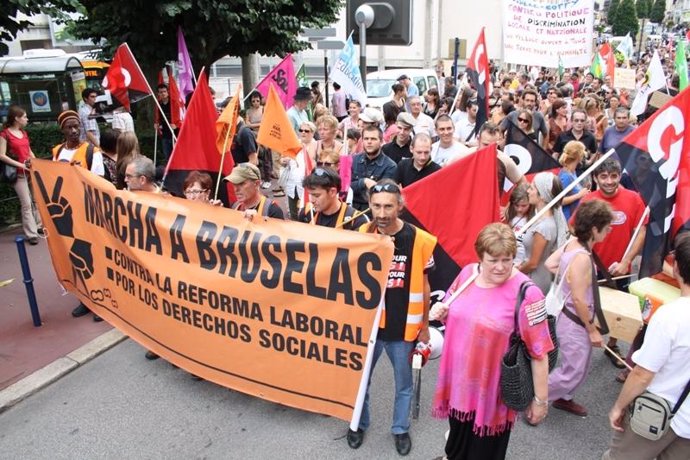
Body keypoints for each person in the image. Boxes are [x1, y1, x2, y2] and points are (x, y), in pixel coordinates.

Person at [431, 222, 554, 460]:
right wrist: (443, 312)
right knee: (456, 447)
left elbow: (540, 351)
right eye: (493, 260)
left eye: (507, 260)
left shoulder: (529, 294)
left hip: (493, 392)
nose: (500, 268)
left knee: (483, 454)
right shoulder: (467, 274)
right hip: (460, 383)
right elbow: (456, 313)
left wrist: (540, 401)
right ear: (480, 256)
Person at [347, 180, 437, 456]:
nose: (382, 213)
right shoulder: (362, 232)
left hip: (402, 329)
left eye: (388, 206)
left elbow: (424, 286)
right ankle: (358, 424)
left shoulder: (419, 238)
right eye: (376, 206)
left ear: (400, 205)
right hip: (368, 328)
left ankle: (400, 429)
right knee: (359, 381)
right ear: (369, 205)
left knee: (404, 385)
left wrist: (424, 326)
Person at [602, 233, 690, 460]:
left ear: (677, 267)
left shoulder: (672, 315)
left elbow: (642, 373)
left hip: (658, 410)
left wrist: (619, 406)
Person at [576, 158, 647, 370]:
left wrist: (627, 262)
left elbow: (640, 231)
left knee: (619, 311)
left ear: (619, 176)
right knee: (586, 306)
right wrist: (584, 259)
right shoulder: (587, 201)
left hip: (620, 270)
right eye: (604, 176)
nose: (609, 181)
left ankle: (613, 345)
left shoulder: (634, 199)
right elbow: (575, 232)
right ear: (596, 178)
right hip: (591, 267)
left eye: (613, 176)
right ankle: (583, 341)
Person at [547, 199, 614, 417]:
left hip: (570, 317)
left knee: (579, 365)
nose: (609, 231)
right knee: (573, 369)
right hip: (576, 321)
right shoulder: (582, 258)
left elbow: (550, 264)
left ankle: (562, 397)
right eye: (606, 228)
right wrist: (592, 330)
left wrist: (569, 277)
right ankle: (536, 396)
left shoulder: (572, 243)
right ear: (595, 229)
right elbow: (578, 298)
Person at [518, 172, 567, 295]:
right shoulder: (541, 220)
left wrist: (514, 271)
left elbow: (533, 263)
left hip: (533, 281)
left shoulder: (544, 227)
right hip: (532, 277)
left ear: (543, 196)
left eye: (532, 188)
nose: (528, 191)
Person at [0, 105, 43, 245]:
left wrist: (36, 164)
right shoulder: (5, 134)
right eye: (24, 116)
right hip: (18, 173)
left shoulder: (23, 133)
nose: (27, 119)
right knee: (26, 203)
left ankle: (38, 226)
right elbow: (1, 155)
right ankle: (31, 234)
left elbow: (29, 151)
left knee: (36, 200)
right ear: (17, 118)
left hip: (29, 170)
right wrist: (20, 165)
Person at [297, 168, 367, 229]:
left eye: (316, 195)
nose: (312, 200)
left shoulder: (355, 220)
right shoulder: (307, 212)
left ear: (332, 192)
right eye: (310, 194)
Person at [350, 126, 397, 212]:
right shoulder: (353, 160)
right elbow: (345, 188)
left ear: (381, 141)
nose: (369, 142)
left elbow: (383, 194)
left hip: (373, 211)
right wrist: (363, 182)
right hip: (351, 207)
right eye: (366, 139)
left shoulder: (390, 166)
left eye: (373, 139)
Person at [282, 121, 317, 220]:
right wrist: (284, 161)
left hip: (308, 186)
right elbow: (282, 159)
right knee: (293, 214)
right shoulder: (295, 144)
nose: (303, 133)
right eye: (301, 130)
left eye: (306, 131)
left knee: (307, 214)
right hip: (292, 185)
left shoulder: (316, 146)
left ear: (313, 133)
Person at [558, 141, 590, 221]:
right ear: (579, 156)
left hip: (575, 217)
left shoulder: (572, 172)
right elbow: (559, 201)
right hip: (567, 219)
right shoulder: (566, 176)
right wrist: (579, 195)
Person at [154, 83, 177, 162]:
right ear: (158, 93)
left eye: (164, 91)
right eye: (160, 92)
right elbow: (158, 118)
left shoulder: (174, 103)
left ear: (168, 92)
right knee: (167, 156)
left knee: (176, 155)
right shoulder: (158, 104)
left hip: (175, 133)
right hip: (165, 134)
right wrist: (157, 124)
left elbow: (182, 116)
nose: (163, 94)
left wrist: (177, 125)